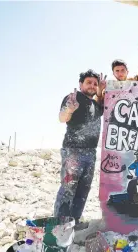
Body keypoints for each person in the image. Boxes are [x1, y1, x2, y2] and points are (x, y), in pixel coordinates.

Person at [54, 69, 107, 230]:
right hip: (73, 151)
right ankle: (60, 226)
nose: (92, 86)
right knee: (68, 189)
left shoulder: (95, 105)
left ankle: (74, 223)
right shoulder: (73, 98)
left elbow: (101, 105)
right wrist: (69, 110)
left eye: (95, 83)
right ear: (80, 84)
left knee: (83, 190)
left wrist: (101, 92)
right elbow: (62, 118)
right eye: (88, 82)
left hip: (90, 153)